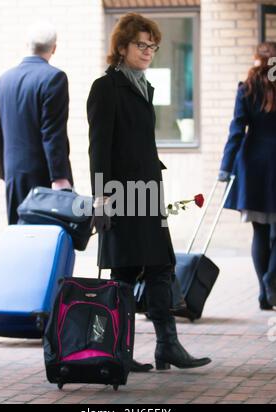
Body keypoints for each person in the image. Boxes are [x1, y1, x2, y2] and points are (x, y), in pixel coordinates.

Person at [87, 13, 211, 372]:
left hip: (147, 192)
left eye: (153, 46)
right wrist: (101, 196)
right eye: (141, 45)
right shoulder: (106, 88)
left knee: (159, 266)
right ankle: (124, 350)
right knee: (128, 272)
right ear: (122, 46)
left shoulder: (143, 85)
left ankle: (163, 346)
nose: (148, 51)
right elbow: (99, 147)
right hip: (122, 194)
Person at [0, 22, 73, 224]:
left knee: (18, 237)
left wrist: (5, 171)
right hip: (43, 178)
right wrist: (60, 178)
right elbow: (53, 134)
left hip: (13, 174)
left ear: (27, 44)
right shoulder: (54, 78)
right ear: (54, 48)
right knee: (45, 241)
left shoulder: (3, 80)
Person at [218, 42, 276, 311]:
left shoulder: (247, 88)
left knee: (260, 232)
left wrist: (226, 167)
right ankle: (271, 280)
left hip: (252, 165)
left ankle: (265, 294)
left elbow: (237, 129)